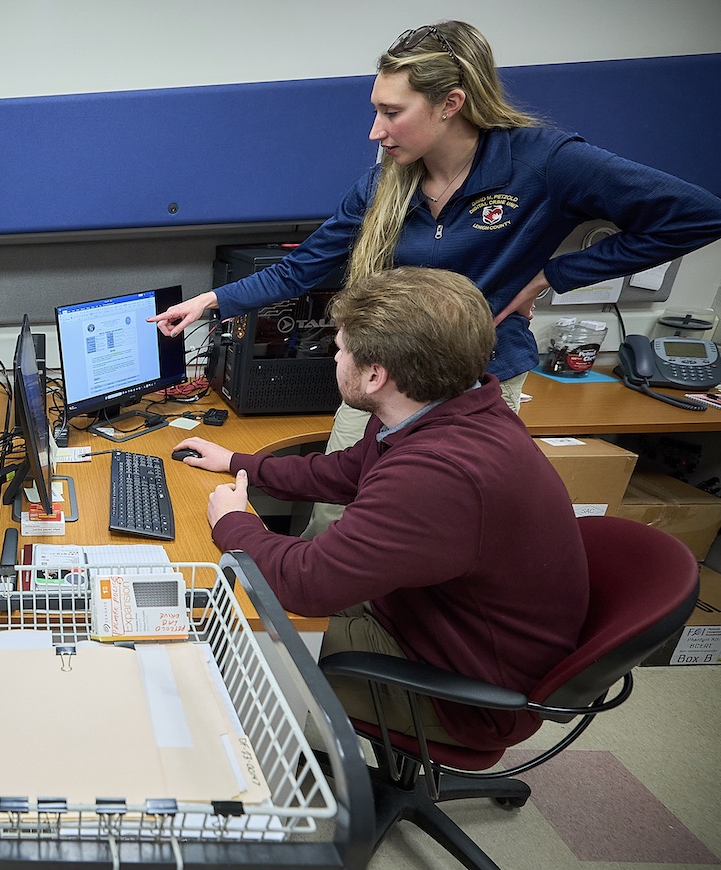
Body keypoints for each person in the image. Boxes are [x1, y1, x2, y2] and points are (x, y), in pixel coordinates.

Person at [151, 20, 721, 534]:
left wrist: (554, 273)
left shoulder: (542, 162)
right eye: (375, 109)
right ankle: (327, 628)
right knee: (336, 517)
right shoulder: (385, 183)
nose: (376, 130)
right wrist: (212, 301)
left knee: (423, 526)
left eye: (392, 112)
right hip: (382, 378)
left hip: (477, 379)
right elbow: (307, 264)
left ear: (451, 103)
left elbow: (696, 215)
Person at [173, 267, 588, 750]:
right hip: (432, 617)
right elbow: (346, 472)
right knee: (230, 598)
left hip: (460, 688)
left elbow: (307, 585)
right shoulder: (444, 410)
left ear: (375, 375)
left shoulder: (437, 474)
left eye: (341, 348)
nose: (335, 355)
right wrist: (237, 463)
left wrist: (234, 523)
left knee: (227, 636)